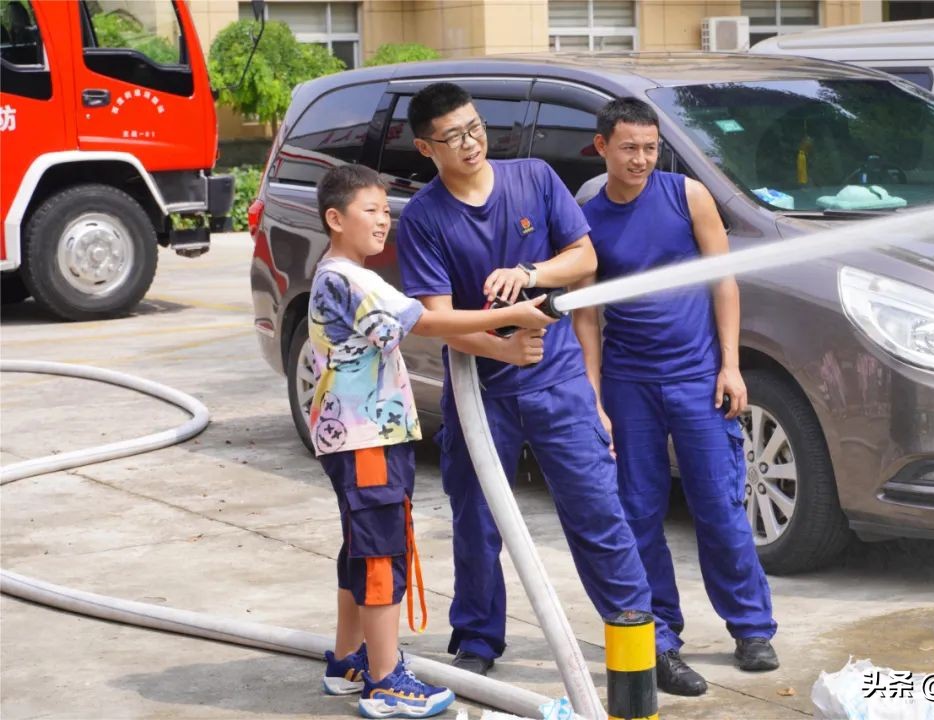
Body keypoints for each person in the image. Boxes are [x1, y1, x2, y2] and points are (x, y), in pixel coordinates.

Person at [395, 82, 661, 679]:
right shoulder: (423, 220)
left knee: (597, 511)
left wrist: (528, 273)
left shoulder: (534, 178)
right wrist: (504, 345)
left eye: (475, 127)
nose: (470, 143)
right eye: (453, 137)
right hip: (480, 391)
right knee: (477, 518)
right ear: (425, 147)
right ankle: (479, 641)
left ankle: (645, 641)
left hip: (558, 382)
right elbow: (437, 319)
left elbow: (584, 258)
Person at [310, 163, 557, 717]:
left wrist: (500, 339)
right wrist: (512, 317)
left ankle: (351, 658)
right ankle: (385, 682)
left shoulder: (344, 274)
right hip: (364, 439)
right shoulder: (350, 278)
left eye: (384, 209)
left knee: (361, 546)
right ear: (335, 218)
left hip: (359, 436)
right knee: (381, 554)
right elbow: (421, 320)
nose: (383, 220)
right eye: (369, 210)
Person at [575, 97, 780, 694]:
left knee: (718, 507)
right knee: (638, 514)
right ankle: (660, 634)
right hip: (629, 383)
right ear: (602, 147)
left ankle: (751, 628)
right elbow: (587, 317)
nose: (641, 158)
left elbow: (724, 280)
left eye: (649, 146)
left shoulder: (687, 196)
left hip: (697, 379)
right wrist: (595, 397)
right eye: (628, 147)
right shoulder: (590, 216)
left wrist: (731, 366)